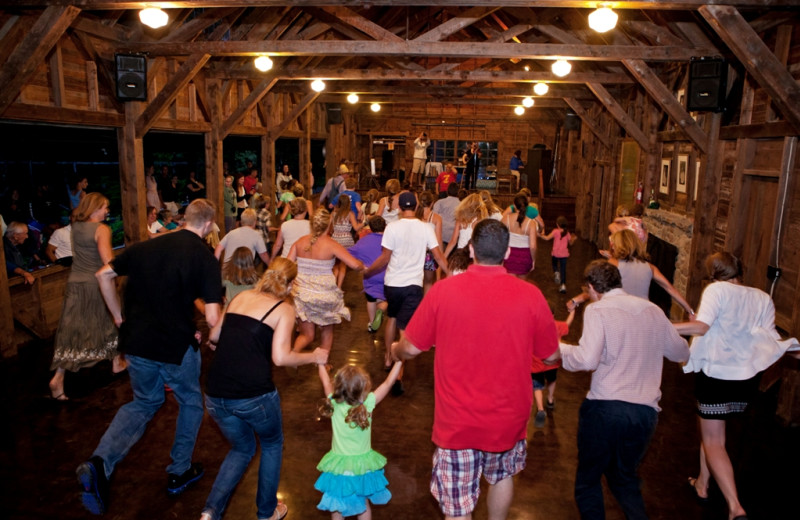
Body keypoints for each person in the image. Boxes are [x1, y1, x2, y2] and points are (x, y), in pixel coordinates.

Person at [392, 218, 559, 520]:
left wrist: (395, 350)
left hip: (458, 420)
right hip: (508, 417)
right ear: (507, 253)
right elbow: (551, 356)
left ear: (470, 250)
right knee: (502, 476)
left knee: (458, 505)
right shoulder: (531, 296)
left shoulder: (443, 292)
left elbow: (411, 348)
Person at [77, 199, 223, 515]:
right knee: (190, 402)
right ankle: (179, 470)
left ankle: (100, 462)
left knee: (144, 402)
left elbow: (103, 275)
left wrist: (118, 317)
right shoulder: (204, 257)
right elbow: (213, 318)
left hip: (137, 344)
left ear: (184, 219)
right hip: (175, 347)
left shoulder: (146, 247)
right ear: (208, 225)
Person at [558, 260, 690, 519]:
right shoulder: (652, 310)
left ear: (593, 288)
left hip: (605, 408)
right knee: (625, 479)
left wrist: (559, 348)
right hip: (645, 414)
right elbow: (680, 351)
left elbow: (587, 360)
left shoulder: (598, 310)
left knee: (588, 480)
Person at [199, 257, 328, 520]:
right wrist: (314, 357)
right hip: (253, 395)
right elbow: (281, 358)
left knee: (242, 448)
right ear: (291, 284)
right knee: (271, 444)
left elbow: (214, 336)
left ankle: (209, 512)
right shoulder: (284, 308)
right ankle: (266, 513)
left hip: (215, 395)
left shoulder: (241, 297)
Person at [674, 252, 799, 520]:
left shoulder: (716, 290)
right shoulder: (762, 297)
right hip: (744, 380)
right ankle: (702, 484)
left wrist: (666, 325)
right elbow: (771, 338)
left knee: (713, 438)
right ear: (739, 270)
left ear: (714, 274)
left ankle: (735, 506)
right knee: (711, 429)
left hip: (716, 375)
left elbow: (701, 327)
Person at [364, 192, 449, 386]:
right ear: (416, 205)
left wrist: (369, 271)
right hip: (413, 284)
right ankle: (398, 371)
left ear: (400, 208)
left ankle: (388, 357)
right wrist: (451, 274)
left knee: (393, 319)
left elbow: (385, 257)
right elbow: (437, 256)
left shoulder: (392, 227)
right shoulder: (426, 227)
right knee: (405, 328)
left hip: (392, 283)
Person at [49, 193, 122, 401]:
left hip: (75, 282)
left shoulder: (77, 227)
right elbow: (108, 261)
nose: (107, 211)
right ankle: (116, 361)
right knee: (111, 318)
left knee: (73, 329)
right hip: (95, 284)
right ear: (95, 208)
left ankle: (59, 377)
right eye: (105, 207)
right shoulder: (102, 229)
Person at [315, 361, 403, 519]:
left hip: (339, 467)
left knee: (336, 505)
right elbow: (388, 383)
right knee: (363, 505)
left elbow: (325, 381)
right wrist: (399, 361)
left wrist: (321, 363)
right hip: (362, 467)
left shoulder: (333, 403)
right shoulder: (367, 404)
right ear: (363, 389)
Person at [288, 208, 364, 353]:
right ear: (329, 224)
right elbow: (354, 265)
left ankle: (292, 357)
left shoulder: (300, 242)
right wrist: (363, 266)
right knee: (327, 331)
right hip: (324, 294)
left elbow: (287, 265)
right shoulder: (332, 244)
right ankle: (323, 364)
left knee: (307, 335)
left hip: (302, 293)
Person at [568, 229, 694, 315]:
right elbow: (671, 289)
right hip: (643, 315)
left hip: (619, 314)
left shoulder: (613, 264)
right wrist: (690, 311)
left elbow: (597, 288)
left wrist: (576, 300)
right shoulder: (650, 267)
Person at [531, 306, 574, 428]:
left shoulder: (534, 326)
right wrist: (572, 312)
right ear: (553, 315)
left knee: (537, 386)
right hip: (552, 362)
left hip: (536, 362)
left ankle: (540, 409)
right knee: (552, 380)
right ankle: (550, 399)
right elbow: (567, 324)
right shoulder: (557, 325)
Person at [348, 215, 388, 333]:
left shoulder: (364, 241)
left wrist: (360, 265)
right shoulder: (389, 239)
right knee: (386, 299)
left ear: (370, 227)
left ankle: (371, 323)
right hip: (387, 275)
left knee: (371, 300)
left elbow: (348, 254)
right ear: (385, 226)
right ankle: (381, 308)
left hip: (370, 275)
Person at [501, 193, 537, 279]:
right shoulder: (531, 223)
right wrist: (533, 260)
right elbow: (533, 246)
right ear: (527, 206)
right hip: (524, 256)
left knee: (510, 286)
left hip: (509, 255)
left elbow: (500, 239)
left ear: (514, 205)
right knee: (522, 286)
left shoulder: (506, 219)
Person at [442, 193, 487, 258]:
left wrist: (443, 258)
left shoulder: (460, 220)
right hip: (474, 254)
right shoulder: (480, 221)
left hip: (460, 254)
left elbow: (453, 242)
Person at [415, 191, 443, 294]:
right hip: (429, 255)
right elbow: (438, 241)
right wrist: (440, 258)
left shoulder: (414, 216)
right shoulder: (436, 218)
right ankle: (426, 306)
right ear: (432, 203)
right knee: (428, 283)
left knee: (415, 282)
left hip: (414, 253)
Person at [540, 215, 577, 293]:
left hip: (555, 253)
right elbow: (571, 243)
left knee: (554, 265)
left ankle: (556, 272)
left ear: (557, 224)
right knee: (563, 270)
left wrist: (538, 235)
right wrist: (573, 239)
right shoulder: (567, 233)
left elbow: (546, 238)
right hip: (564, 255)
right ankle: (563, 285)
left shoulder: (555, 231)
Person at [432, 182, 460, 253]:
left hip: (440, 235)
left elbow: (433, 218)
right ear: (458, 192)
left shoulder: (439, 202)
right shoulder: (461, 205)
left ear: (447, 191)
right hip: (454, 236)